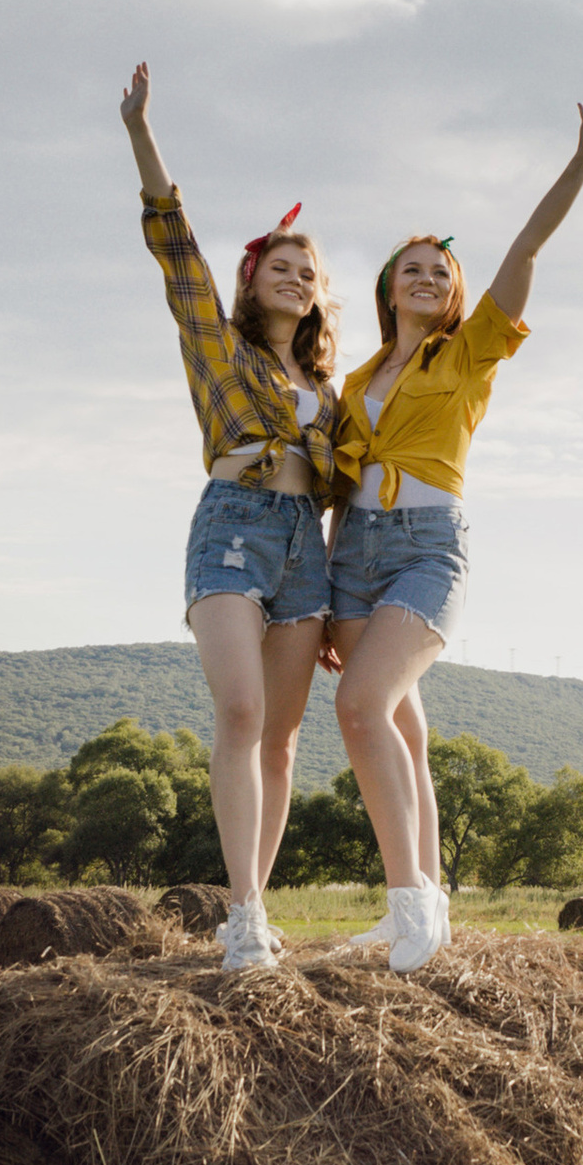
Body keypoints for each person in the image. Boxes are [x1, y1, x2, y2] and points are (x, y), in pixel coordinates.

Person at [333, 104, 583, 972]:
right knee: (404, 732)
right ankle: (426, 902)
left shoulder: (469, 355)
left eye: (439, 271)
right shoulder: (357, 379)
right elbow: (338, 482)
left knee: (362, 710)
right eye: (411, 268)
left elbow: (523, 253)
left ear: (454, 291)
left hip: (425, 547)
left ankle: (410, 906)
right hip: (353, 552)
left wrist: (578, 168)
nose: (426, 278)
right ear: (388, 288)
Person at [121, 61, 346, 975]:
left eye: (309, 273)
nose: (296, 280)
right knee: (243, 711)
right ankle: (241, 916)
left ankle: (260, 900)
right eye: (281, 268)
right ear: (254, 282)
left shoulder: (329, 390)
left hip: (306, 551)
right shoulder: (219, 346)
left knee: (286, 741)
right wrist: (142, 130)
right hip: (233, 529)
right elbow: (176, 248)